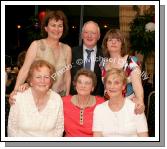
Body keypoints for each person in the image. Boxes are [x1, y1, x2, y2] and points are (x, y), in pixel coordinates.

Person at [9, 10, 71, 100]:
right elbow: (25, 69)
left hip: (59, 98)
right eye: (53, 25)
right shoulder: (36, 45)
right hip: (37, 97)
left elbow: (67, 75)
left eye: (60, 26)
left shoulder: (67, 49)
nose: (57, 29)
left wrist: (67, 97)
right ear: (46, 28)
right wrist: (15, 91)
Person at [8, 60, 64, 137]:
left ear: (51, 81)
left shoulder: (57, 99)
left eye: (46, 77)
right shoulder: (19, 97)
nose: (42, 81)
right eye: (38, 77)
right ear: (30, 81)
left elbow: (59, 129)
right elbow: (12, 128)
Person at [93, 68, 148, 137]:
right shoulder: (99, 109)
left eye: (116, 83)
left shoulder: (136, 107)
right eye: (109, 82)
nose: (112, 86)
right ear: (105, 86)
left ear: (123, 86)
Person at [101, 29, 145, 114]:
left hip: (128, 107)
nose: (114, 42)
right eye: (110, 40)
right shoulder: (103, 63)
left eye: (118, 40)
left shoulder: (131, 61)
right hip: (108, 107)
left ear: (122, 44)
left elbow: (137, 85)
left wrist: (140, 101)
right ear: (106, 44)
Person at [63, 68, 104, 137]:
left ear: (92, 87)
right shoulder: (64, 102)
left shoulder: (101, 103)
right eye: (80, 82)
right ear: (75, 85)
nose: (83, 86)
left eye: (87, 83)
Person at [70, 21, 104, 97]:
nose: (89, 35)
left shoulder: (105, 55)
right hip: (75, 98)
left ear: (98, 36)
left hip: (97, 99)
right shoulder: (71, 52)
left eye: (93, 33)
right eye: (86, 32)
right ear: (82, 35)